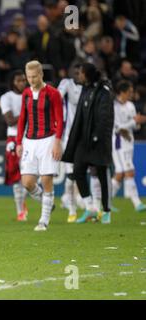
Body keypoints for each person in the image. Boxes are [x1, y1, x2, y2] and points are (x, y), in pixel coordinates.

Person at [62, 63, 114, 224]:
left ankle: (106, 211)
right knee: (77, 171)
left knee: (102, 174)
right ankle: (90, 207)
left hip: (98, 142)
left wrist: (98, 137)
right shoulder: (85, 90)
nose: (79, 76)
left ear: (88, 74)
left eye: (81, 73)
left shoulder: (103, 91)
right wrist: (74, 138)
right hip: (83, 142)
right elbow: (80, 116)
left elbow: (105, 117)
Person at [16, 60, 63, 231]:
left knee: (46, 179)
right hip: (29, 141)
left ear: (41, 74)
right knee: (27, 182)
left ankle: (43, 221)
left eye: (34, 76)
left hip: (48, 139)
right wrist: (19, 142)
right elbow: (22, 118)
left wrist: (57, 142)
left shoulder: (53, 93)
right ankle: (47, 202)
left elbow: (60, 119)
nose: (31, 80)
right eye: (29, 77)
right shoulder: (26, 94)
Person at [111, 80, 146, 212]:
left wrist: (138, 123)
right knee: (129, 172)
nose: (131, 94)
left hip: (129, 141)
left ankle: (106, 203)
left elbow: (134, 126)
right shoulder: (114, 107)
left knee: (119, 174)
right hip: (119, 143)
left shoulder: (131, 105)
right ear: (122, 92)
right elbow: (117, 128)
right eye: (129, 92)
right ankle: (137, 204)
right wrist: (133, 122)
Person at [0, 70, 29, 221]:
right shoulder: (6, 97)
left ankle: (23, 205)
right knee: (16, 174)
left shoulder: (30, 94)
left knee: (29, 174)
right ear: (12, 82)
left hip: (30, 137)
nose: (22, 83)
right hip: (13, 137)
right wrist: (28, 111)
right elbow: (10, 120)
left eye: (24, 80)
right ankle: (20, 210)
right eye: (18, 80)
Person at [57, 64, 83, 223]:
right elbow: (57, 96)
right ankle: (72, 207)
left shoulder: (88, 87)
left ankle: (74, 198)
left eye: (80, 73)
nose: (77, 75)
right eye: (75, 72)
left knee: (82, 170)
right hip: (67, 136)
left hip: (83, 136)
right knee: (71, 173)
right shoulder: (66, 84)